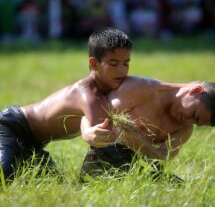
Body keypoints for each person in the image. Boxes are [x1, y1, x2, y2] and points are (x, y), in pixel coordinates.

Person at [0, 27, 132, 180]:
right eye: (114, 64)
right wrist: (153, 153)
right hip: (11, 127)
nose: (122, 71)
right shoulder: (87, 94)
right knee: (4, 175)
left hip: (33, 145)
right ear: (94, 64)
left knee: (54, 182)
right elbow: (109, 138)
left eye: (126, 63)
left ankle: (23, 156)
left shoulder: (111, 90)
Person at [80, 76, 215, 179]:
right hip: (104, 155)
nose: (189, 121)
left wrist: (145, 146)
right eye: (194, 115)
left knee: (175, 187)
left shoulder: (184, 128)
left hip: (134, 166)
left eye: (197, 123)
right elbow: (95, 111)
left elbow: (162, 156)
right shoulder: (144, 89)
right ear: (196, 91)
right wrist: (87, 132)